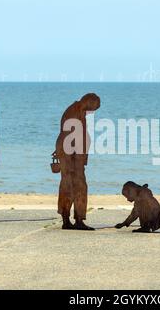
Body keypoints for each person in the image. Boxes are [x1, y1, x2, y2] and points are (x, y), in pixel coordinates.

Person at [54, 93, 100, 230]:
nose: (93, 111)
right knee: (71, 186)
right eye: (94, 107)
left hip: (75, 155)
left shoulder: (79, 111)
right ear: (88, 102)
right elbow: (69, 136)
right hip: (70, 156)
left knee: (77, 186)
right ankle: (70, 219)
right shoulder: (73, 112)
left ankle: (75, 219)